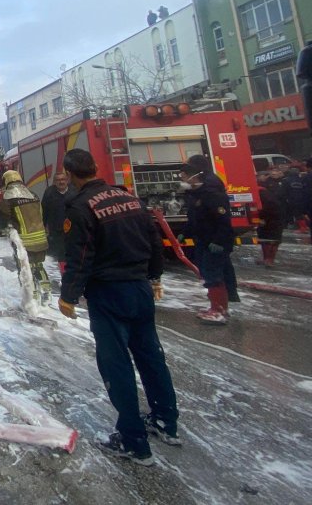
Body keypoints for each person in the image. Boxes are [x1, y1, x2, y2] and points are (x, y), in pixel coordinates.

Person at [58, 148, 180, 466]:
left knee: (117, 365)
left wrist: (68, 295)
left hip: (109, 293)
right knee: (151, 356)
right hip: (140, 289)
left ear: (70, 174)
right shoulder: (130, 199)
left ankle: (133, 442)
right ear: (96, 167)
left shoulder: (82, 207)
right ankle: (166, 422)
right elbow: (154, 241)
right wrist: (154, 276)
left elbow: (81, 256)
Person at [179, 154, 237, 323]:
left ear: (196, 174)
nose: (182, 177)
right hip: (204, 239)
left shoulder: (211, 194)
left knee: (213, 275)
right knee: (210, 273)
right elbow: (196, 218)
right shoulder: (198, 193)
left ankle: (218, 310)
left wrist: (219, 241)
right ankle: (218, 307)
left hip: (214, 242)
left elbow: (223, 221)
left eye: (184, 173)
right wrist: (186, 232)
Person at [0, 170, 51, 304]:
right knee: (38, 265)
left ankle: (31, 298)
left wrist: (1, 230)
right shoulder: (33, 194)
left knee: (25, 268)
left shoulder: (8, 197)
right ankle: (46, 292)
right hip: (41, 238)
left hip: (23, 241)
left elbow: (5, 218)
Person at [41, 170, 75, 275]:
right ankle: (64, 274)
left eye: (63, 179)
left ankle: (75, 272)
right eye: (58, 180)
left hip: (74, 229)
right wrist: (43, 225)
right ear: (54, 182)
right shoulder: (49, 193)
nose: (61, 182)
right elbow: (44, 210)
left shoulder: (74, 191)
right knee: (61, 254)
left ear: (67, 180)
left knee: (74, 252)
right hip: (57, 229)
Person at [256, 174, 285, 267]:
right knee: (265, 239)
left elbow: (269, 206)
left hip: (273, 219)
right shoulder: (264, 192)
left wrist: (262, 218)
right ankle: (266, 259)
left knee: (272, 240)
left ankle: (270, 260)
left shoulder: (261, 193)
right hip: (273, 218)